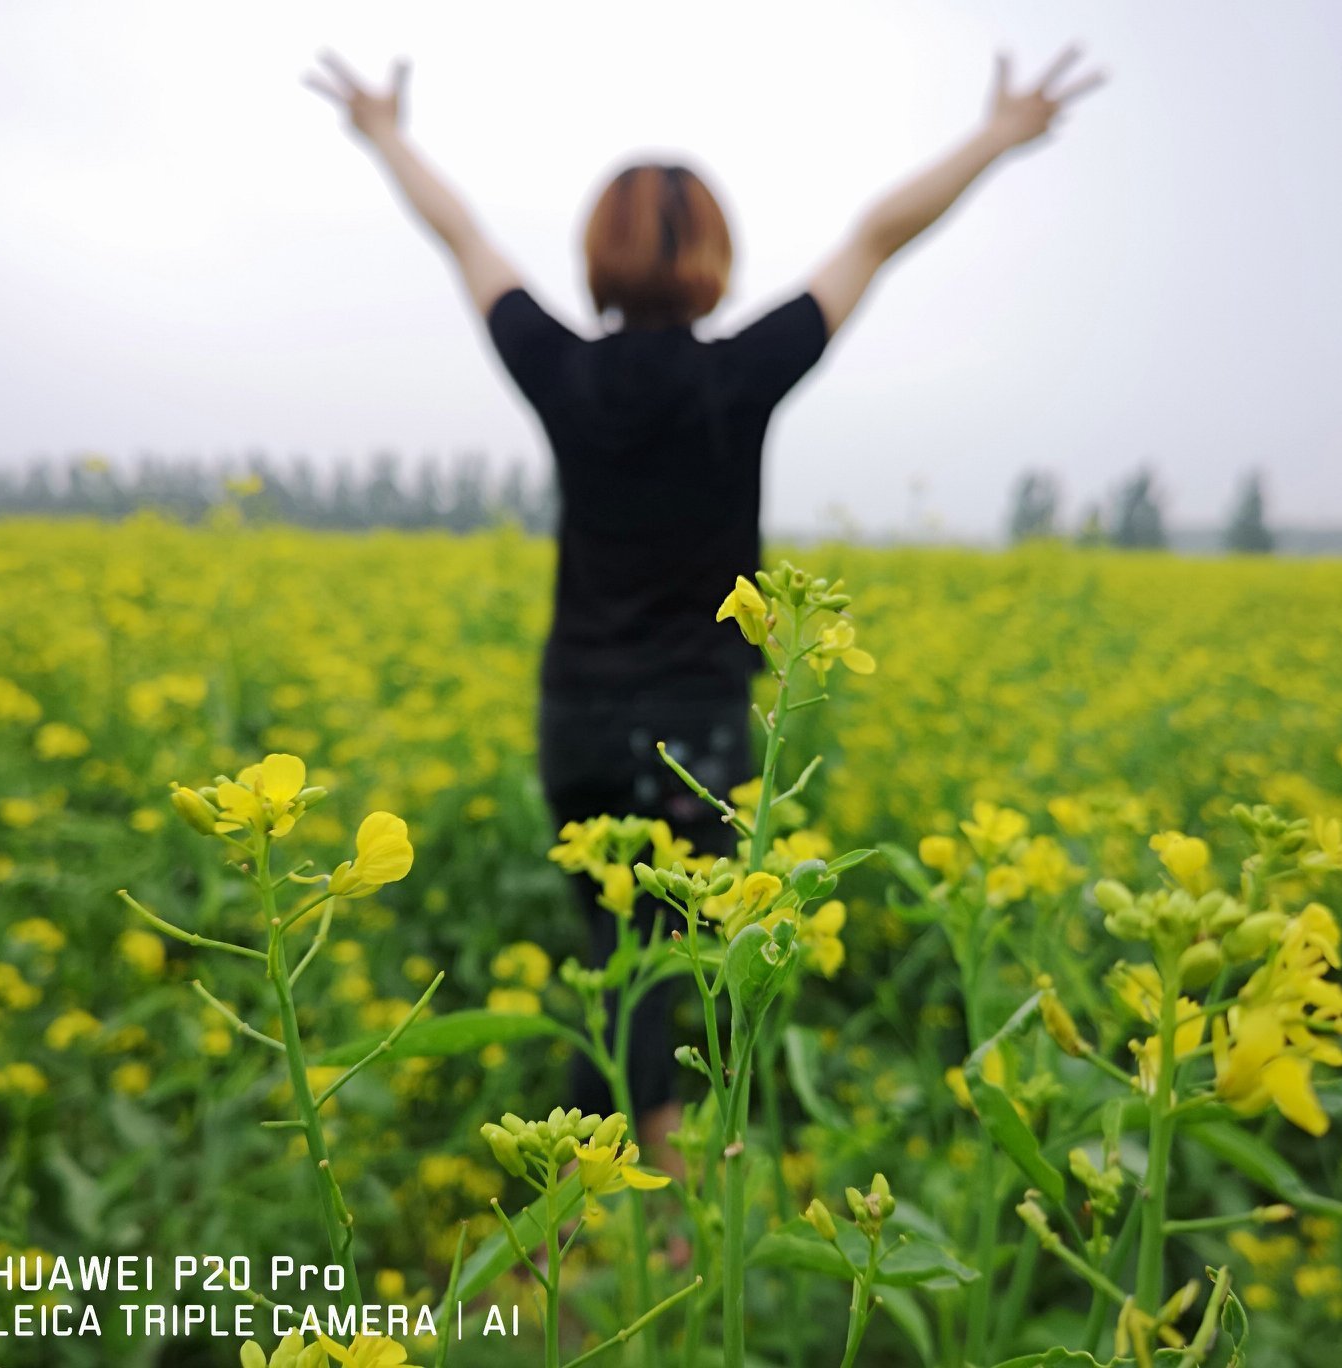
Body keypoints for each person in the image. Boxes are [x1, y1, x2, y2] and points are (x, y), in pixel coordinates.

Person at [304, 45, 1104, 1162]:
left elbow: (467, 238)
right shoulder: (743, 373)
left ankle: (594, 1207)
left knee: (622, 969)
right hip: (705, 728)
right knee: (663, 977)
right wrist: (996, 136)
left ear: (594, 258)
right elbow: (875, 236)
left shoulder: (560, 368)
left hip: (576, 722)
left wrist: (385, 133)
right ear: (717, 261)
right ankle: (630, 1212)